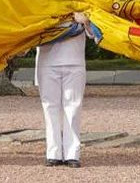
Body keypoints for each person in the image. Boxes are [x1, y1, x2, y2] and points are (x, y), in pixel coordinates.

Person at [36, 11, 95, 168]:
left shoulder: (82, 5)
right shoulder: (42, 7)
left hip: (75, 63)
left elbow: (95, 34)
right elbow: (30, 32)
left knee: (73, 108)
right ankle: (53, 153)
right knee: (50, 108)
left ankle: (72, 154)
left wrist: (86, 21)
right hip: (47, 63)